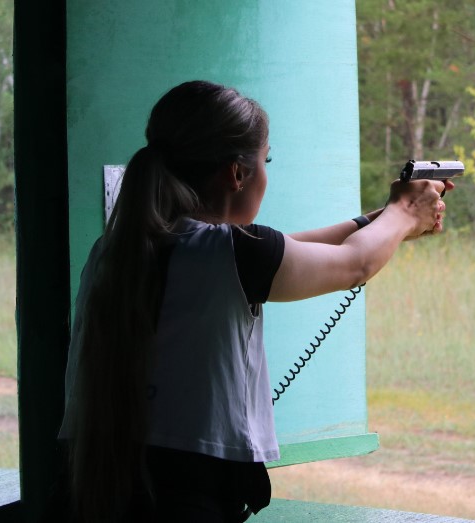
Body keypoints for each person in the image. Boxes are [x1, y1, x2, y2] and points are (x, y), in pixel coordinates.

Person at [50, 80, 451, 522]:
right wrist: (403, 213)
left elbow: (284, 250)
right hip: (184, 494)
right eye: (266, 161)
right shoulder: (233, 253)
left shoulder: (118, 248)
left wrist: (379, 219)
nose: (265, 173)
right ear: (237, 174)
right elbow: (353, 264)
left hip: (91, 482)